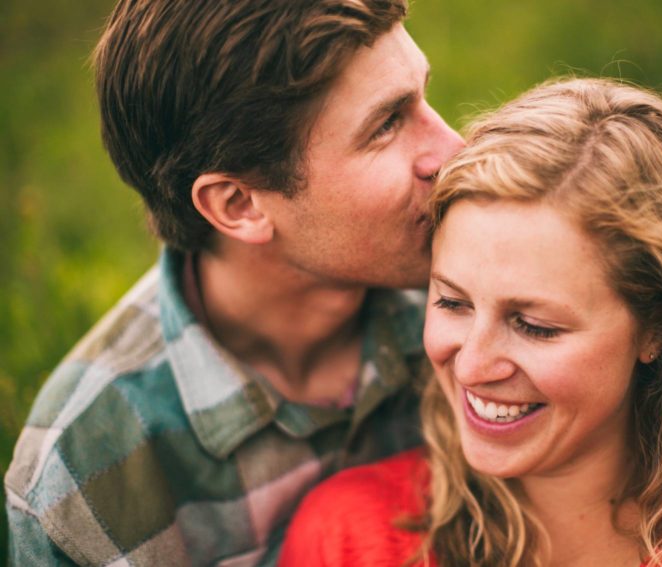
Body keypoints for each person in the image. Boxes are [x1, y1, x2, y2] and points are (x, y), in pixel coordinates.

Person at [280, 78, 662, 566]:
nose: (473, 365)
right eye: (453, 303)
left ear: (659, 327)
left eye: (534, 325)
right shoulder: (350, 538)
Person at [4, 0, 464, 565]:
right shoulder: (79, 480)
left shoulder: (493, 298)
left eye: (422, 95)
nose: (454, 150)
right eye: (387, 124)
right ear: (240, 204)